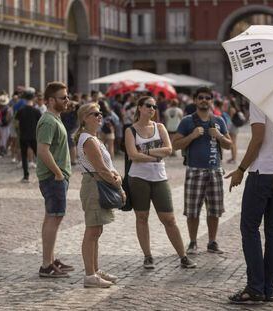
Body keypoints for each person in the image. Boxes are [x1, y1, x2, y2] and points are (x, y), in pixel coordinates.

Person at [226, 102, 273, 303]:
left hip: (263, 171)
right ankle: (269, 288)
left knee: (249, 228)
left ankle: (255, 287)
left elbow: (258, 139)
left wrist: (241, 169)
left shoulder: (260, 101)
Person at [125, 96, 196, 270]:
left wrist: (146, 151)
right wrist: (156, 154)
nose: (152, 109)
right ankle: (148, 256)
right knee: (142, 217)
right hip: (138, 179)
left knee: (169, 219)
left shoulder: (160, 127)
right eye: (148, 106)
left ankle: (183, 256)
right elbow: (133, 155)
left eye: (154, 106)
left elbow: (169, 149)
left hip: (159, 178)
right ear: (140, 107)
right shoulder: (131, 130)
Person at [172, 87, 232, 255]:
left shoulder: (219, 121)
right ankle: (192, 242)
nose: (204, 100)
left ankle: (212, 242)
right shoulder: (187, 121)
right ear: (195, 100)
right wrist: (191, 136)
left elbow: (229, 145)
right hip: (195, 170)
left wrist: (219, 136)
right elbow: (174, 145)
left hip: (215, 170)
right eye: (201, 98)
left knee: (215, 209)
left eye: (207, 98)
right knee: (193, 210)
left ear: (212, 101)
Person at [75, 103, 126, 288]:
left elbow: (106, 167)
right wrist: (118, 185)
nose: (99, 116)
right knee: (92, 231)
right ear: (84, 119)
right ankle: (89, 275)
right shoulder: (87, 139)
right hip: (94, 186)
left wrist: (115, 178)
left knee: (97, 230)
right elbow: (101, 168)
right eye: (94, 114)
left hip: (99, 184)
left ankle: (95, 270)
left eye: (99, 113)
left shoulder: (94, 138)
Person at [36, 81, 73, 278]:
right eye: (63, 97)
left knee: (52, 217)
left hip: (56, 177)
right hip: (53, 178)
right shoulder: (49, 121)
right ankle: (46, 265)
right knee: (54, 217)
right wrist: (58, 173)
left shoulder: (55, 118)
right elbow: (43, 150)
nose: (67, 100)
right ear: (51, 101)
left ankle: (50, 259)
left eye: (67, 96)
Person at [16, 89, 42, 183]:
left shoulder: (20, 111)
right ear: (33, 98)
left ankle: (26, 176)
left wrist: (19, 133)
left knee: (24, 156)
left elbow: (17, 124)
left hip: (23, 136)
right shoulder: (37, 111)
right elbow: (41, 124)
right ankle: (43, 175)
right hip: (34, 136)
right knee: (39, 156)